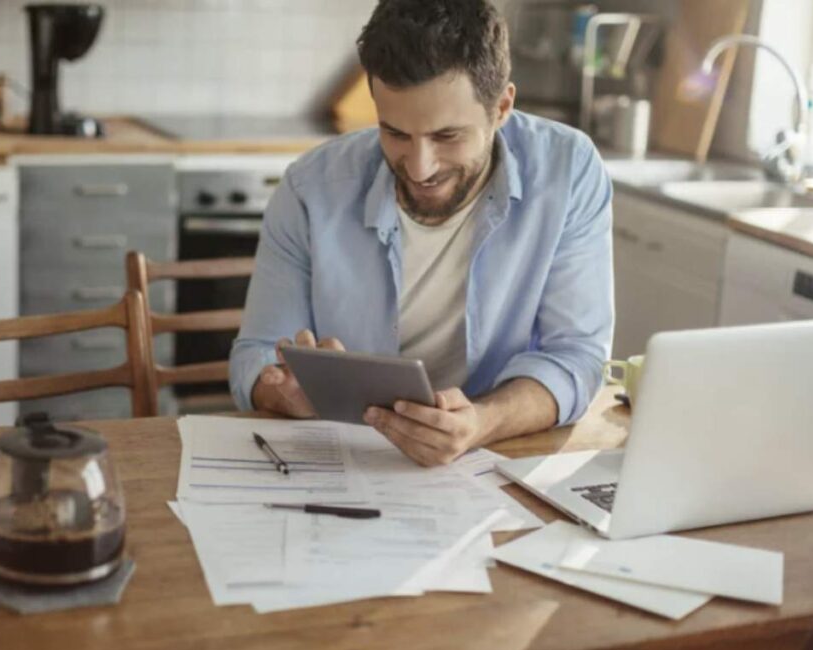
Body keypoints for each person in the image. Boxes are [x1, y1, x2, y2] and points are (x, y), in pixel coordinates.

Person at [229, 0, 614, 467]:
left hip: (498, 460)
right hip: (350, 459)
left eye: (447, 137)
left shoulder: (568, 170)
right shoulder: (312, 188)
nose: (419, 167)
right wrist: (288, 394)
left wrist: (481, 422)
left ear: (502, 108)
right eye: (395, 133)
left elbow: (576, 355)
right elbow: (253, 355)